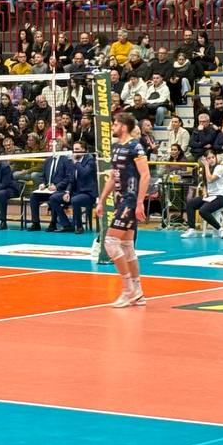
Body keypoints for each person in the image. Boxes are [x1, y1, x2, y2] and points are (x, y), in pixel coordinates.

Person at [95, 112, 151, 308]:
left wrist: (139, 202)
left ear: (124, 127)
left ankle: (128, 290)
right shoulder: (116, 146)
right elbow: (113, 176)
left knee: (110, 242)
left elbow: (145, 175)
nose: (113, 127)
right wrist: (102, 200)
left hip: (130, 199)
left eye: (115, 124)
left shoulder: (135, 147)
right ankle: (138, 292)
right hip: (121, 200)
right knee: (126, 246)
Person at [49, 141, 96, 232]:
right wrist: (67, 192)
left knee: (75, 200)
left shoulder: (90, 160)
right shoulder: (73, 162)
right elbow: (71, 180)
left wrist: (76, 163)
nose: (75, 152)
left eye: (77, 149)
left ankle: (79, 227)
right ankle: (66, 224)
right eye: (74, 149)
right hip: (76, 192)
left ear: (84, 150)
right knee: (53, 198)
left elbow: (84, 173)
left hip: (88, 193)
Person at [182, 147, 223, 238]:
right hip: (210, 196)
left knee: (203, 210)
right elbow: (205, 183)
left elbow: (210, 179)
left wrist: (206, 166)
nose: (211, 160)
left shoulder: (219, 168)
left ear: (216, 157)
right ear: (206, 159)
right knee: (190, 203)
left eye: (213, 157)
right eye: (208, 158)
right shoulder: (206, 169)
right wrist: (205, 192)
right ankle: (191, 229)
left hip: (221, 196)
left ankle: (221, 229)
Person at [28, 139, 72, 231]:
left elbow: (68, 178)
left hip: (60, 190)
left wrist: (57, 186)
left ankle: (53, 223)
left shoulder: (66, 160)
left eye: (52, 146)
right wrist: (43, 184)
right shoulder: (48, 160)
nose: (50, 147)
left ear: (58, 147)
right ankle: (35, 223)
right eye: (50, 146)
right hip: (48, 189)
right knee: (33, 196)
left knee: (53, 197)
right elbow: (43, 176)